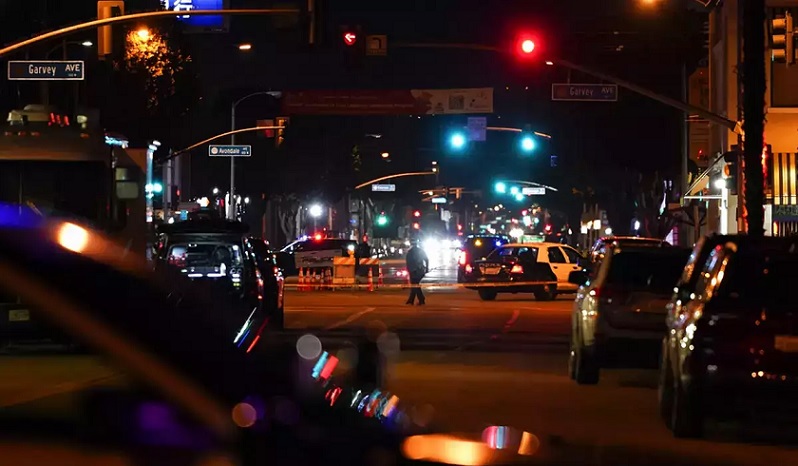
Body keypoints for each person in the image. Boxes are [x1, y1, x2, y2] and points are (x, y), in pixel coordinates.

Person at [405, 239, 429, 305]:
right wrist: (426, 268)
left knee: (415, 286)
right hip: (420, 271)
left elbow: (408, 263)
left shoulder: (410, 252)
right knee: (415, 285)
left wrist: (409, 270)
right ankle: (412, 300)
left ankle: (420, 299)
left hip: (413, 271)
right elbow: (426, 259)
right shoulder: (420, 251)